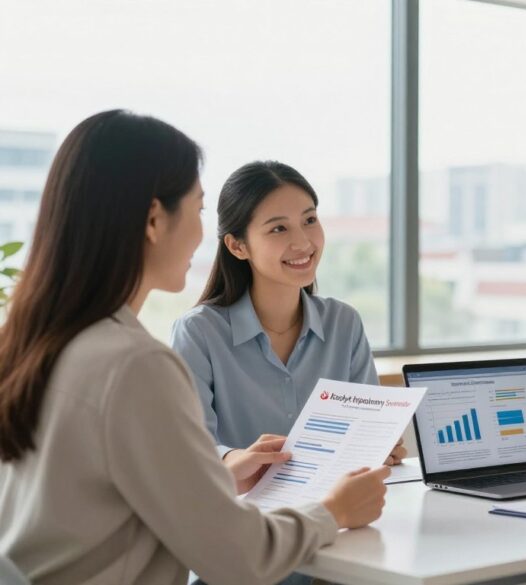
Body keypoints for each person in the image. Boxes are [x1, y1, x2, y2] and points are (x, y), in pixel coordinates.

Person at [0, 110, 390, 585]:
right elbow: (237, 558)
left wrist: (222, 476)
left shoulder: (48, 342)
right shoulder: (134, 364)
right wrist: (332, 511)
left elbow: (113, 494)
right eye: (199, 208)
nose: (203, 233)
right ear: (153, 220)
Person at [170, 161, 406, 471]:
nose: (303, 243)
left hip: (337, 506)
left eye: (309, 220)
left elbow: (365, 431)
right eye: (279, 228)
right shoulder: (199, 332)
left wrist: (378, 446)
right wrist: (234, 459)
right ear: (237, 246)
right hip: (241, 509)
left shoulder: (343, 323)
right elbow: (190, 448)